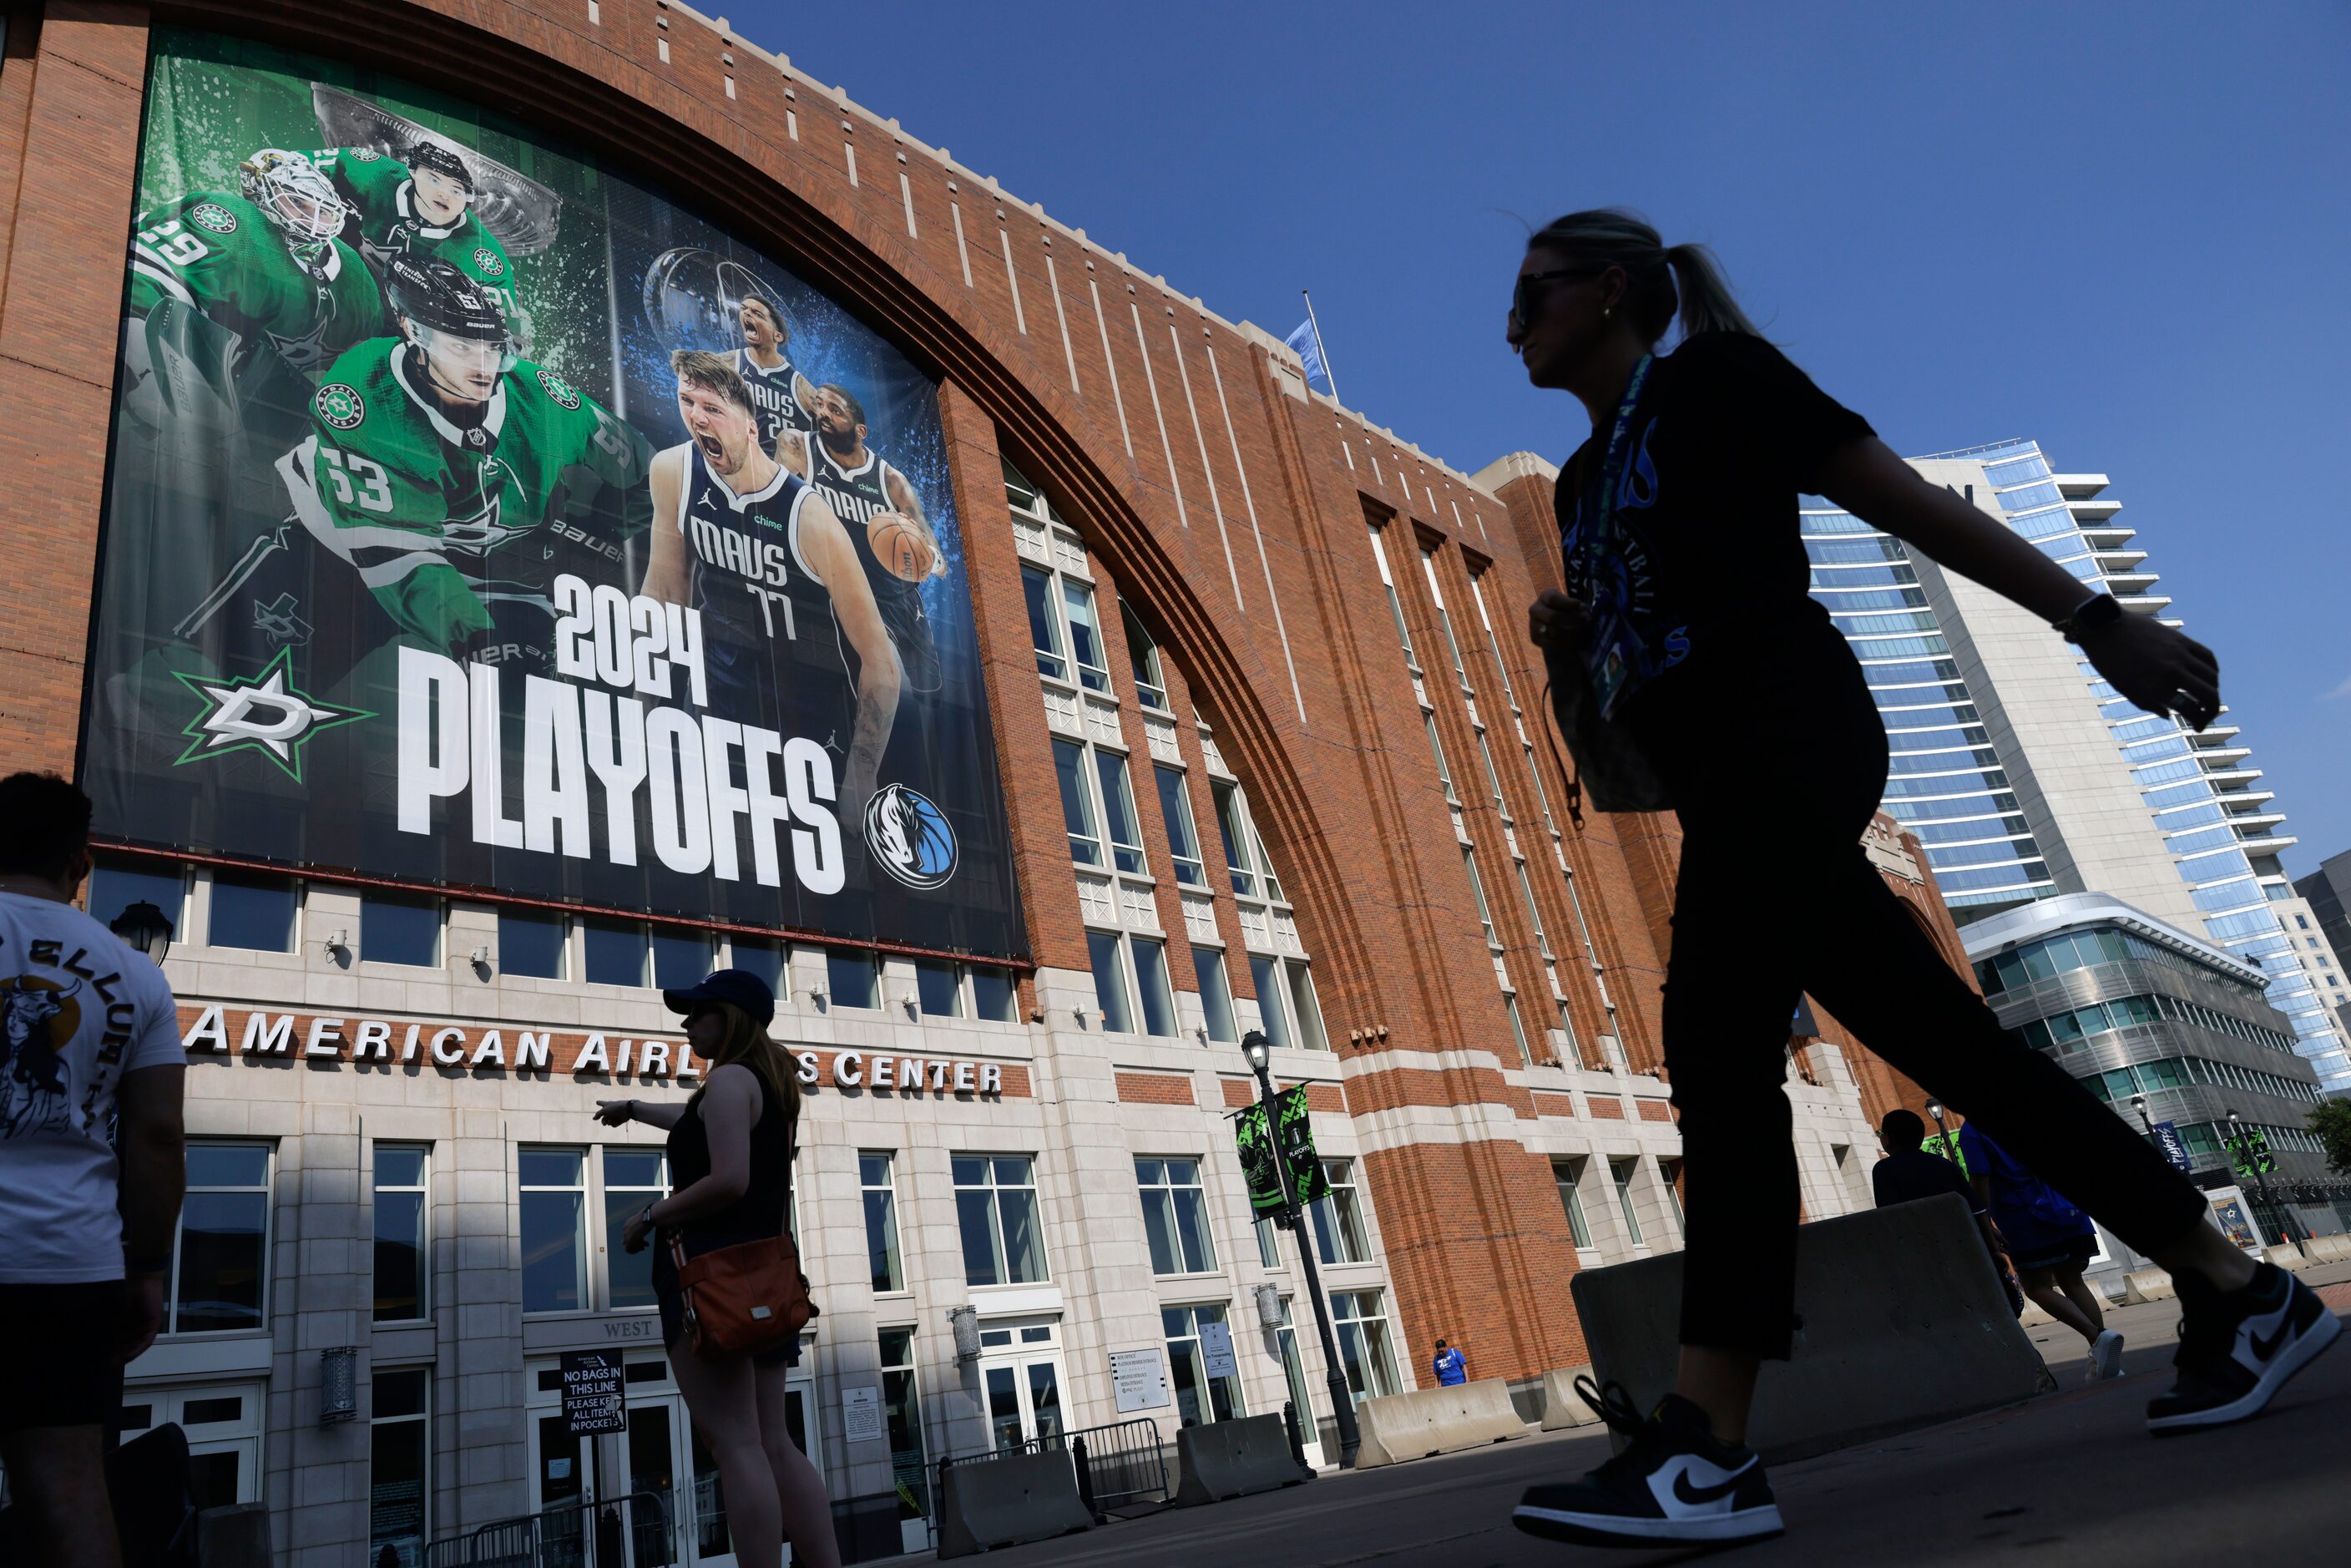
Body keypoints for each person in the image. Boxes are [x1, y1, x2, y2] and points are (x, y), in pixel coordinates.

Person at [1502, 210, 2338, 1550]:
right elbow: (1644, 655)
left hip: (1793, 728)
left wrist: (2097, 621)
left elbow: (1900, 501)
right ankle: (2237, 1285)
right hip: (1720, 773)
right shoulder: (1580, 479)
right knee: (1959, 1050)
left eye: (1534, 291)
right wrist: (1577, 629)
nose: (1512, 319)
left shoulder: (1725, 377)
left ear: (1610, 291)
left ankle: (1707, 1444)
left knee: (1717, 1047)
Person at [280, 255, 651, 668]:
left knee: (533, 690)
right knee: (254, 671)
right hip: (341, 547)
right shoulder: (363, 394)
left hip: (490, 568)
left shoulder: (546, 402)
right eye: (461, 345)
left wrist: (612, 527)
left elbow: (653, 474)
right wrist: (478, 639)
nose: (483, 365)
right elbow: (396, 554)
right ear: (412, 330)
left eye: (492, 347)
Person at [0, 774, 187, 1568]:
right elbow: (155, 1137)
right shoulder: (136, 974)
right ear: (80, 860)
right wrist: (145, 1267)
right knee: (70, 1487)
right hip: (66, 1264)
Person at [594, 969, 838, 1568]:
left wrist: (649, 1215)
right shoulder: (767, 1085)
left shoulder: (728, 1079)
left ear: (729, 1017)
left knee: (734, 1445)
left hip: (710, 1279)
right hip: (763, 1275)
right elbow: (700, 1125)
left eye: (697, 1013)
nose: (686, 1024)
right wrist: (634, 1106)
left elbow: (729, 1178)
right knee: (773, 1442)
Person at [641, 351, 902, 824]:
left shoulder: (810, 518)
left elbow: (881, 663)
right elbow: (663, 597)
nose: (696, 418)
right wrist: (637, 715)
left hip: (801, 731)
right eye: (687, 402)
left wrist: (859, 782)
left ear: (751, 429)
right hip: (711, 708)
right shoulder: (673, 471)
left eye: (713, 409)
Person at [1959, 1119, 2126, 1383]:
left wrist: (1985, 1218)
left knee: (2035, 1286)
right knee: (2073, 1282)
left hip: (2026, 1217)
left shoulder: (1973, 1131)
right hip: (2063, 1206)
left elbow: (1980, 1178)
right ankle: (2104, 1354)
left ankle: (2098, 1338)